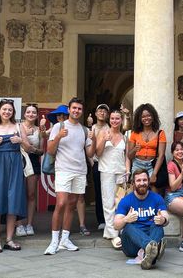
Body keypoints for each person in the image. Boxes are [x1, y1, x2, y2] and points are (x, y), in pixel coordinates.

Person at [44, 97, 95, 255]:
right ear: (69, 110)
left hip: (80, 170)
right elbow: (50, 151)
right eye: (74, 108)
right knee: (61, 203)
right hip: (63, 169)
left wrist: (93, 140)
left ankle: (65, 240)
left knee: (72, 205)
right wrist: (59, 136)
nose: (76, 111)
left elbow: (89, 154)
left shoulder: (84, 130)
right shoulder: (59, 126)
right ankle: (54, 241)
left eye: (79, 109)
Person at [0, 99, 30, 253]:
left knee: (13, 202)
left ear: (13, 112)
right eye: (4, 109)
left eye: (10, 110)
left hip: (15, 165)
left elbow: (29, 148)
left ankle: (9, 239)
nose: (7, 112)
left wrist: (21, 140)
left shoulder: (19, 126)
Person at [114, 169, 169, 270]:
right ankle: (152, 249)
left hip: (150, 235)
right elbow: (116, 225)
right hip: (131, 246)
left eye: (144, 180)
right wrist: (126, 219)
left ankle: (148, 255)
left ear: (148, 181)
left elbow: (166, 217)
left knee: (158, 225)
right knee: (128, 226)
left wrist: (163, 220)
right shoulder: (126, 200)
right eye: (138, 180)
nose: (142, 183)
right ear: (133, 183)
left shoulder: (157, 198)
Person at [96, 109, 130, 249]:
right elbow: (98, 153)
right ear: (109, 120)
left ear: (121, 120)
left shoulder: (125, 137)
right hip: (107, 172)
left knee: (120, 202)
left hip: (121, 173)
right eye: (112, 118)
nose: (115, 121)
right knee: (108, 202)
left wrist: (128, 170)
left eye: (117, 118)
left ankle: (119, 228)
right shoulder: (103, 133)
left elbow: (127, 156)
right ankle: (113, 234)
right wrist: (104, 140)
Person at [15, 104, 47, 238]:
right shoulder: (17, 126)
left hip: (33, 162)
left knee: (31, 194)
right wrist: (28, 145)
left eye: (34, 112)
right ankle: (19, 224)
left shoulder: (39, 130)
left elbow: (41, 150)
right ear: (24, 114)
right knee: (18, 193)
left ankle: (29, 224)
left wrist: (31, 148)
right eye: (28, 112)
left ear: (37, 115)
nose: (31, 114)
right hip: (19, 160)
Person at [127, 103, 167, 192]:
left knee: (154, 190)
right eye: (143, 117)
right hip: (137, 164)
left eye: (148, 115)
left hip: (152, 165)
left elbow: (161, 155)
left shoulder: (160, 133)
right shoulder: (134, 133)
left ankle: (153, 206)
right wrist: (134, 149)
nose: (146, 118)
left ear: (153, 116)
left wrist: (154, 174)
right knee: (136, 190)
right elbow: (129, 156)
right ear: (139, 119)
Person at [88, 103, 110, 233]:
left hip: (108, 163)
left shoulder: (110, 128)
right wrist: (92, 163)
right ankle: (101, 220)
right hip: (96, 163)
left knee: (109, 192)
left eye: (105, 111)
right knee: (98, 192)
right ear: (96, 113)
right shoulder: (91, 129)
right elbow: (87, 147)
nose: (102, 113)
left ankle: (109, 219)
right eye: (100, 110)